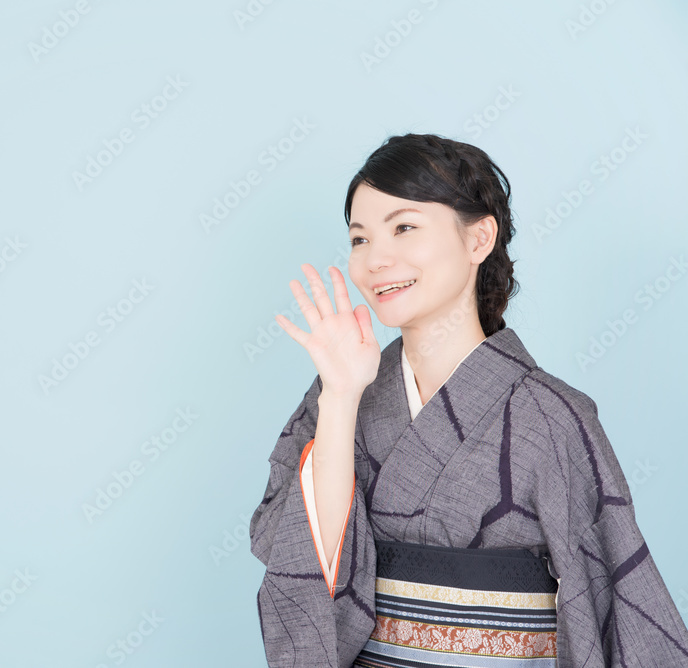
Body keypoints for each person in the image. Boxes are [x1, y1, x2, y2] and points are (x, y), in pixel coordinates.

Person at [249, 133, 688, 667]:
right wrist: (340, 397)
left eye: (404, 228)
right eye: (360, 239)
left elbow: (613, 601)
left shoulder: (552, 416)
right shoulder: (342, 391)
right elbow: (301, 566)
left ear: (479, 239)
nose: (375, 259)